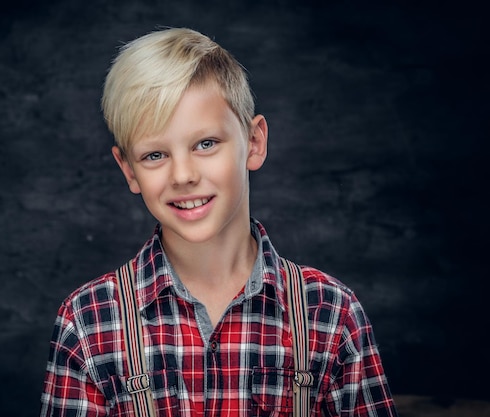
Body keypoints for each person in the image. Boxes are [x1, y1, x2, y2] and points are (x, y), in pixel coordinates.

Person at [39, 27, 398, 416]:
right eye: (155, 155)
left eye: (205, 144)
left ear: (254, 142)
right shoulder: (88, 321)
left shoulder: (331, 313)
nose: (183, 175)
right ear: (128, 171)